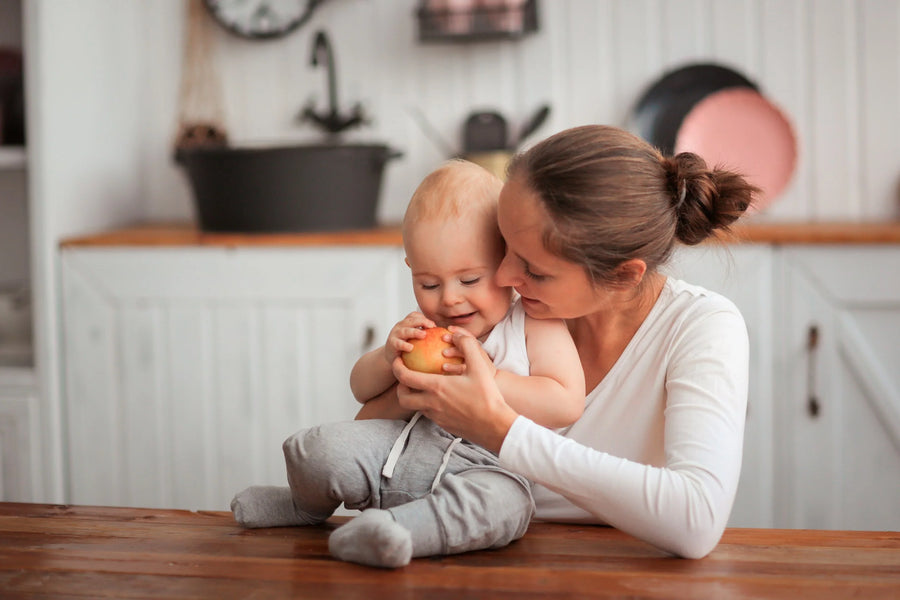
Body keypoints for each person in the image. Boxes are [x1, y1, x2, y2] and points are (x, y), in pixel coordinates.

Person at [389, 124, 756, 560]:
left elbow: (697, 520)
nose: (503, 276)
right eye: (503, 247)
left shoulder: (700, 327)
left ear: (623, 275)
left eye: (535, 270)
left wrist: (500, 430)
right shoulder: (496, 314)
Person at [230, 159, 585, 568]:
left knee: (504, 506)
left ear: (506, 261)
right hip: (396, 454)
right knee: (317, 446)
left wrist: (490, 378)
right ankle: (304, 506)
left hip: (487, 468)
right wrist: (387, 358)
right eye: (428, 284)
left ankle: (399, 532)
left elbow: (566, 403)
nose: (448, 299)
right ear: (411, 270)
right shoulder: (424, 329)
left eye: (469, 280)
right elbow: (360, 390)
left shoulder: (531, 324)